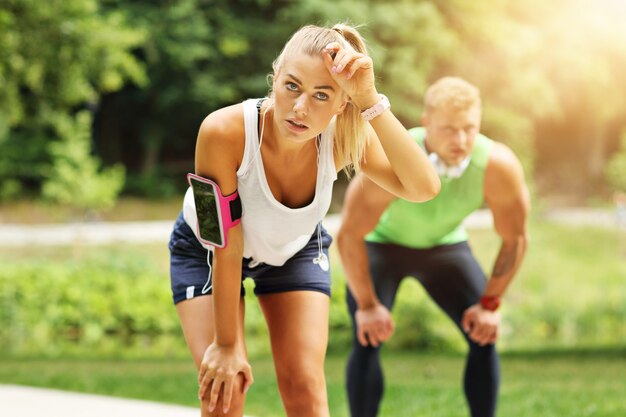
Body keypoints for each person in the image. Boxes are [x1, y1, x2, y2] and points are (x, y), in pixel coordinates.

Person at [168, 24, 440, 417]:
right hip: (208, 250)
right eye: (292, 86)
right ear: (275, 78)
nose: (300, 108)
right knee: (226, 394)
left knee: (306, 390)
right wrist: (227, 345)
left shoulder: (343, 137)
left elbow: (423, 187)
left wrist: (369, 99)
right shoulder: (222, 131)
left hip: (294, 250)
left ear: (340, 105)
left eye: (322, 95)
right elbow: (224, 239)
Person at [337, 76, 530, 417]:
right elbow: (349, 234)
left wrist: (490, 303)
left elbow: (515, 239)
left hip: (445, 248)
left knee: (484, 335)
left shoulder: (498, 165)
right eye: (449, 129)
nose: (461, 140)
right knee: (367, 337)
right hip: (381, 246)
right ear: (427, 124)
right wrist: (367, 306)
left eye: (469, 129)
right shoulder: (389, 155)